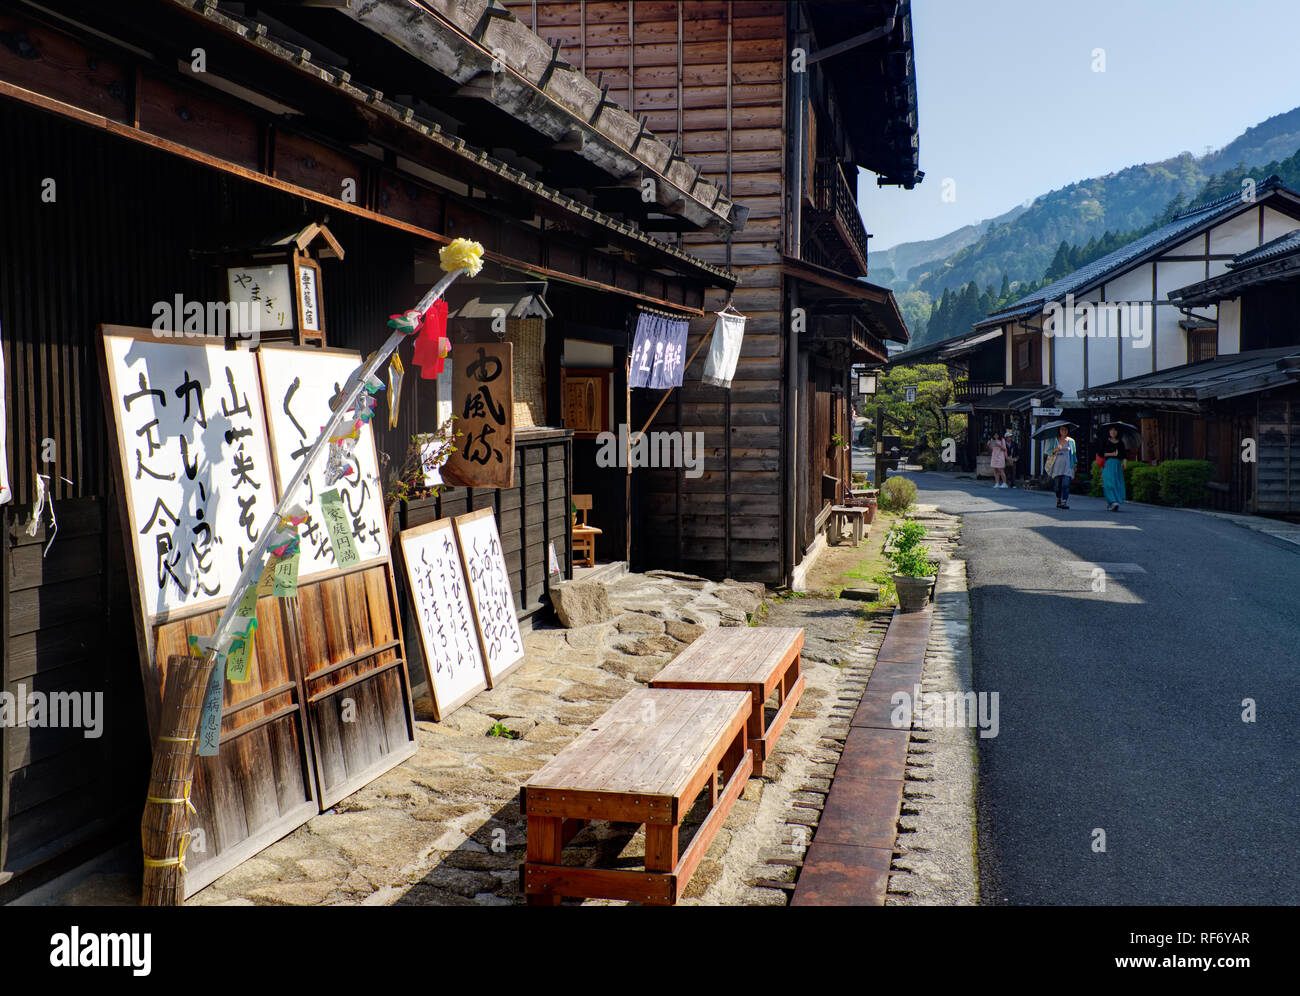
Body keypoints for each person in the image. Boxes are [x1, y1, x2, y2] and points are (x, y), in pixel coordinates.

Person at [1046, 425, 1077, 509]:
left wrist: (1075, 464)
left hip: (1067, 466)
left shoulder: (1071, 441)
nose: (1064, 431)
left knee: (1065, 484)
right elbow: (1048, 451)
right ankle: (1058, 499)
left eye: (1066, 429)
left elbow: (1074, 454)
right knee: (1057, 485)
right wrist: (1056, 449)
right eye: (1062, 429)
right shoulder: (1054, 440)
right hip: (1057, 466)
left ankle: (1064, 502)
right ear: (1059, 430)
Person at [1101, 426, 1127, 511]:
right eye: (1111, 430)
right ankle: (1112, 501)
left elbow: (1124, 455)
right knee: (1109, 483)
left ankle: (1113, 502)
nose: (1113, 431)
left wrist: (1124, 463)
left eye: (1115, 429)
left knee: (1116, 483)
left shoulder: (1121, 443)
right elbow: (1101, 453)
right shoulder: (1105, 442)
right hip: (1108, 464)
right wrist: (1111, 454)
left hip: (1117, 465)